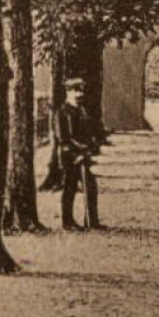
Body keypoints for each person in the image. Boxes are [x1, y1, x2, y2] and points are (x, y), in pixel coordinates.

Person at [56, 77, 105, 230]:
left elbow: (88, 132)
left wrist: (91, 146)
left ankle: (92, 221)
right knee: (69, 188)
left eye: (80, 90)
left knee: (90, 187)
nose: (79, 94)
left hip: (84, 155)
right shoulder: (63, 112)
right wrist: (77, 153)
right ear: (68, 92)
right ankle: (67, 222)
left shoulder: (81, 110)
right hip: (70, 156)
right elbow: (64, 138)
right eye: (75, 91)